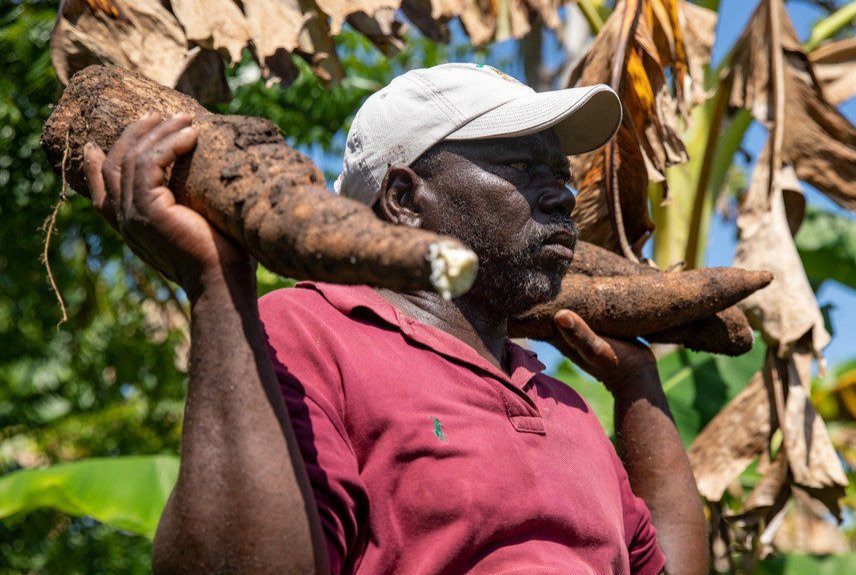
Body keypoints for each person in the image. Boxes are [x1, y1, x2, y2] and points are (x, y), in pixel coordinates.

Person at [82, 63, 709, 574]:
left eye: (562, 177)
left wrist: (637, 386)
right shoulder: (309, 334)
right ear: (405, 198)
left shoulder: (561, 404)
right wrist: (218, 287)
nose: (563, 196)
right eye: (522, 168)